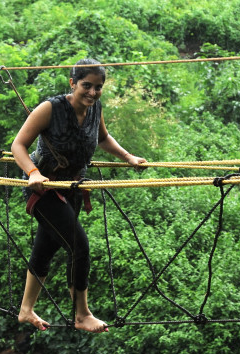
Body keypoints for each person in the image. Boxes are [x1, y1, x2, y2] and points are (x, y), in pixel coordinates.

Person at [11, 58, 146, 333]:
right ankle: (81, 314)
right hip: (44, 189)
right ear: (72, 83)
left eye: (98, 88)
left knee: (46, 247)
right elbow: (18, 144)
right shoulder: (50, 108)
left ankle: (26, 310)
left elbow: (102, 138)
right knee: (78, 245)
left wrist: (127, 156)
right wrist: (33, 172)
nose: (93, 93)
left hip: (71, 189)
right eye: (86, 86)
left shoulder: (95, 109)